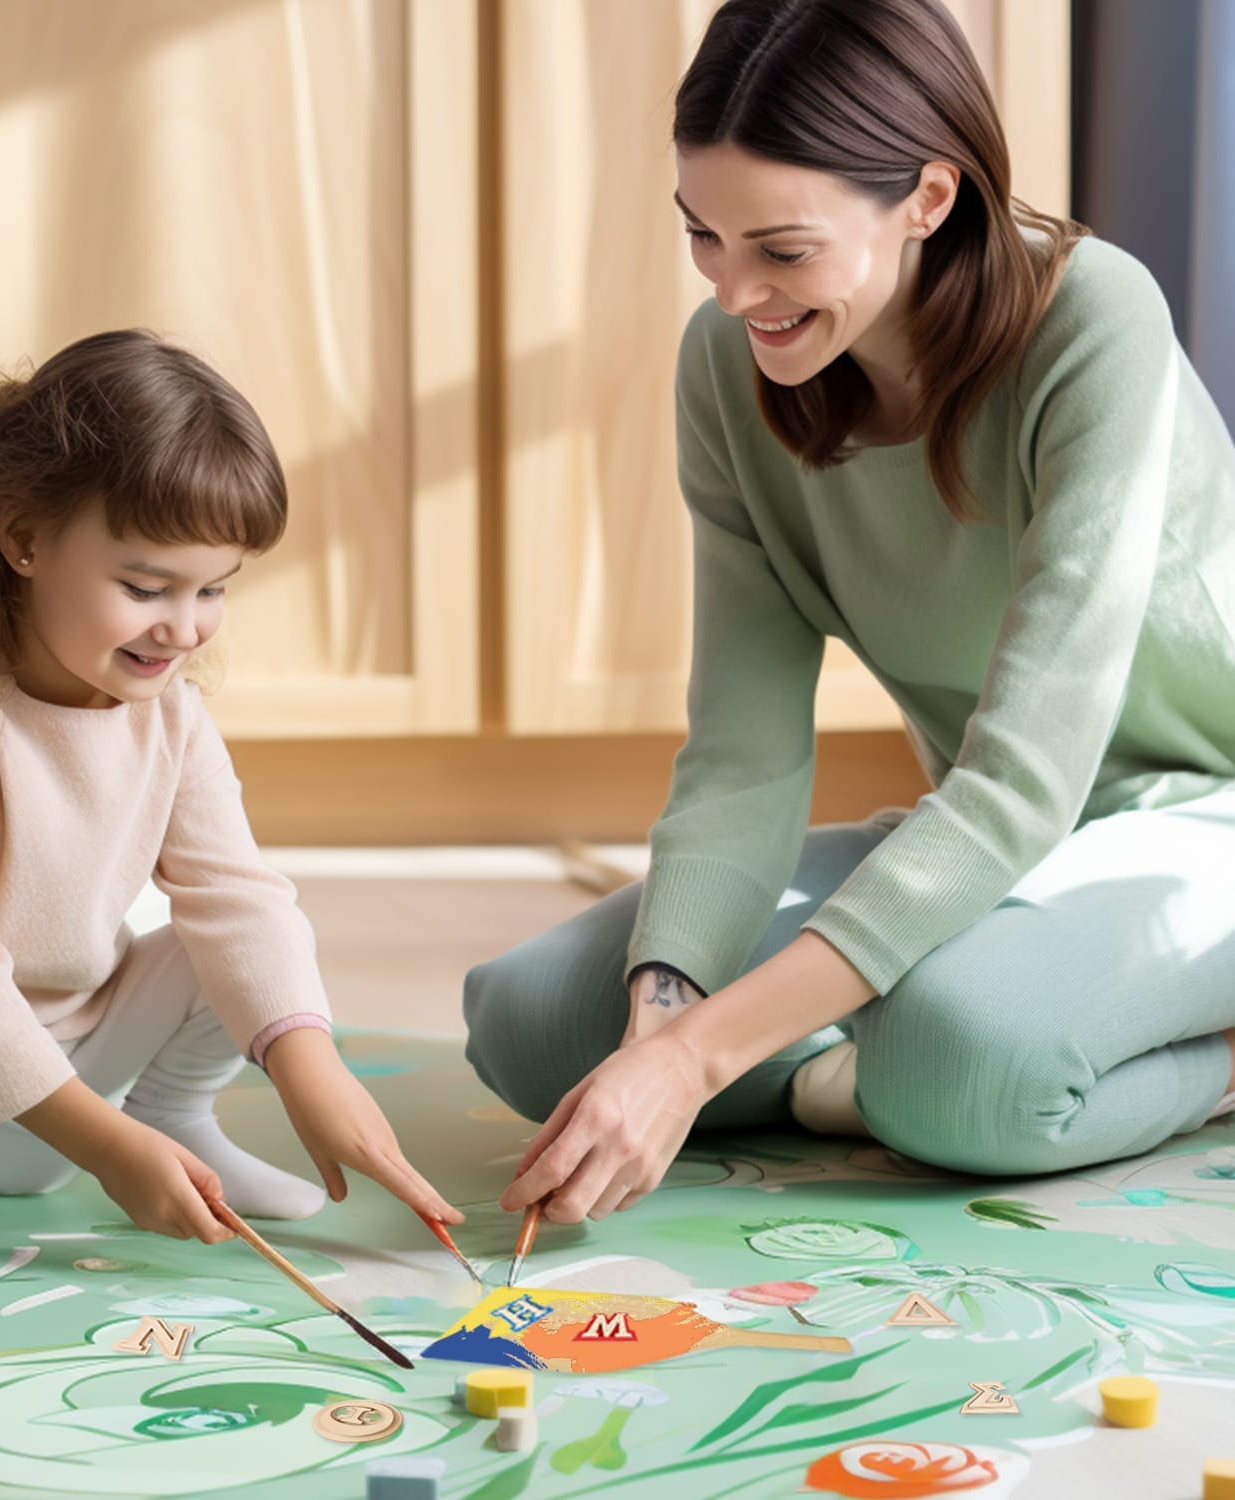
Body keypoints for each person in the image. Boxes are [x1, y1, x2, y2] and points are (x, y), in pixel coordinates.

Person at [465, 0, 1235, 1226]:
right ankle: (878, 1057)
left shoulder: (1097, 323)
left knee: (963, 1074)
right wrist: (663, 1021)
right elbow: (744, 752)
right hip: (993, 844)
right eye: (704, 239)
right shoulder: (731, 369)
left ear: (929, 197)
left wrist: (705, 1060)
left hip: (1198, 815)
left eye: (781, 248)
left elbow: (1028, 778)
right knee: (535, 1024)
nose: (733, 293)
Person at [0, 329, 463, 1243]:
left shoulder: (172, 715)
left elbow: (235, 900)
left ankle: (160, 1121)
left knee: (245, 939)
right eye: (148, 586)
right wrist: (107, 1152)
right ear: (25, 538)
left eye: (214, 590)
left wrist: (313, 1073)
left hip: (54, 1027)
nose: (186, 629)